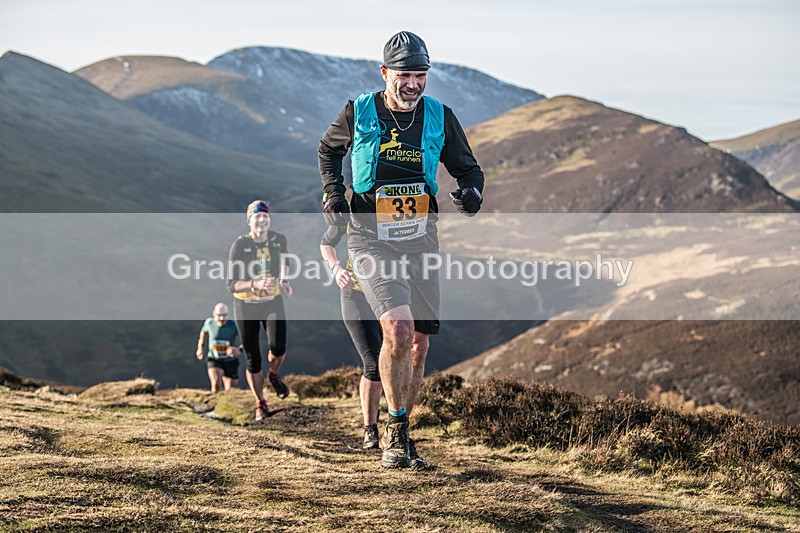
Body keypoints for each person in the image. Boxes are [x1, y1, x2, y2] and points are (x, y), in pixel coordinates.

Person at [319, 31, 485, 468]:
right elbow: (328, 150)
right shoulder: (357, 112)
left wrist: (470, 193)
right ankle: (394, 433)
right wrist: (334, 192)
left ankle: (403, 432)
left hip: (421, 238)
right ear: (384, 73)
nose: (412, 84)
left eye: (420, 75)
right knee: (398, 330)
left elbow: (468, 170)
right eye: (404, 76)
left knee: (420, 347)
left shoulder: (440, 116)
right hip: (370, 237)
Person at [227, 200, 293, 421]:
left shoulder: (278, 239)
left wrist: (283, 281)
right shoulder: (240, 244)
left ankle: (273, 375)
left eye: (265, 216)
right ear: (249, 220)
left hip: (272, 301)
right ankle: (260, 403)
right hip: (245, 304)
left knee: (278, 347)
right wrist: (255, 284)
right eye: (257, 216)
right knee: (253, 358)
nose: (262, 220)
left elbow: (285, 262)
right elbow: (231, 283)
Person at [320, 224, 383, 449]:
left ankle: (398, 423)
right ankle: (370, 429)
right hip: (356, 295)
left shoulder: (393, 207)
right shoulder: (350, 211)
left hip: (391, 294)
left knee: (395, 358)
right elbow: (326, 243)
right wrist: (336, 269)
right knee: (374, 364)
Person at [196, 303, 241, 393]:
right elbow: (203, 333)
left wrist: (238, 350)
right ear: (214, 314)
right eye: (219, 315)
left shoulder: (234, 325)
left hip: (230, 360)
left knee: (231, 389)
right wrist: (200, 348)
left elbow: (247, 339)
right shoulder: (209, 323)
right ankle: (214, 404)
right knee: (216, 383)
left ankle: (226, 405)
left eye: (224, 316)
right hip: (214, 358)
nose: (221, 319)